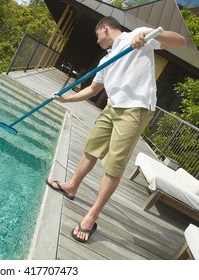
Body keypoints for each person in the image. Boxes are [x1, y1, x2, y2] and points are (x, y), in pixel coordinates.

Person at [46, 16, 186, 243]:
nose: (97, 41)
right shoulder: (105, 60)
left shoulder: (137, 35)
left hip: (135, 109)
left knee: (113, 165)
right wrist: (67, 99)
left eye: (97, 36)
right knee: (91, 149)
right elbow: (93, 89)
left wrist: (152, 35)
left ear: (105, 28)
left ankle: (91, 216)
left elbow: (179, 41)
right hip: (112, 107)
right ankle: (71, 186)